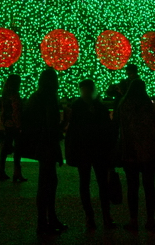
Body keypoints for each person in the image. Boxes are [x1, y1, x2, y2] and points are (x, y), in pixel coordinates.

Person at [65, 79, 118, 231]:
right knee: (101, 183)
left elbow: (73, 131)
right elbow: (107, 129)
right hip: (97, 151)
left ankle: (91, 217)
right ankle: (105, 217)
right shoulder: (98, 106)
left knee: (86, 184)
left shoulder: (77, 106)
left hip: (85, 151)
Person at [24, 68, 67, 238]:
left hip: (39, 145)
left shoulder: (36, 97)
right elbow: (52, 128)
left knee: (46, 183)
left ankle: (47, 221)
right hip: (47, 146)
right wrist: (65, 122)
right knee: (48, 184)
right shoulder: (49, 99)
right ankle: (45, 222)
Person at [116, 77, 155, 233]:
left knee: (132, 186)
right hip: (149, 149)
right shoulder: (147, 104)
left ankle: (133, 219)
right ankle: (150, 219)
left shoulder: (124, 104)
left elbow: (120, 126)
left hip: (130, 150)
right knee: (149, 187)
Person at [0, 73, 26, 183]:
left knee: (6, 148)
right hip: (14, 124)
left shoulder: (5, 94)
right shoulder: (14, 95)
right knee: (17, 149)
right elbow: (16, 111)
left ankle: (2, 171)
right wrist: (19, 124)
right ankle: (17, 173)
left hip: (8, 124)